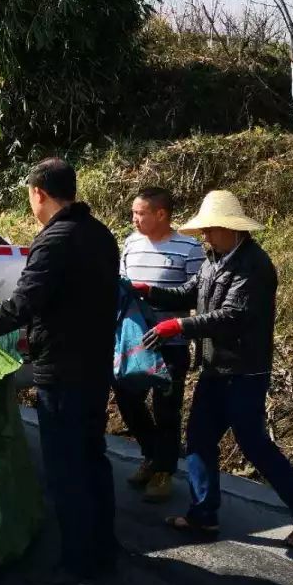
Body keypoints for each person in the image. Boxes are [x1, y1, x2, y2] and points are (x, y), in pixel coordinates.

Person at [0, 158, 120, 583]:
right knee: (93, 459)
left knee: (66, 468)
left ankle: (78, 564)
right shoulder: (101, 235)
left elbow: (21, 305)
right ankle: (103, 548)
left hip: (63, 371)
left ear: (39, 193)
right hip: (94, 367)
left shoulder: (54, 241)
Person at [139, 190, 293, 548]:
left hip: (245, 371)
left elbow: (233, 316)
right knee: (197, 441)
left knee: (254, 444)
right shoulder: (215, 260)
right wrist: (148, 290)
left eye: (211, 230)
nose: (205, 237)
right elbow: (189, 292)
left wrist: (178, 327)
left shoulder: (254, 266)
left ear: (232, 228)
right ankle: (203, 515)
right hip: (216, 369)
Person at [117, 187, 204, 502]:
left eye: (140, 213)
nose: (135, 219)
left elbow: (198, 294)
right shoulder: (130, 243)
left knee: (167, 408)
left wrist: (151, 293)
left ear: (161, 214)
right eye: (134, 213)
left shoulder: (190, 248)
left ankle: (164, 471)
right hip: (134, 341)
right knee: (127, 398)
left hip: (172, 342)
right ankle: (152, 455)